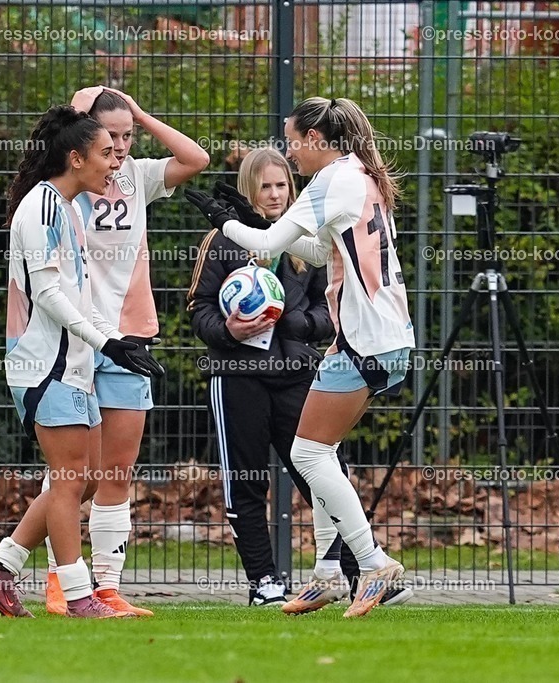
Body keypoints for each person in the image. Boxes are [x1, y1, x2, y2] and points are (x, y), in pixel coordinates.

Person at [185, 96, 414, 618]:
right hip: (384, 338)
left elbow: (265, 247)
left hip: (365, 340)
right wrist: (247, 222)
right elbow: (318, 252)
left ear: (315, 140)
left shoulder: (331, 179)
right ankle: (328, 576)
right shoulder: (362, 174)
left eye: (292, 142)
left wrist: (227, 222)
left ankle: (373, 561)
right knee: (320, 451)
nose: (290, 154)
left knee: (309, 456)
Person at [0, 105, 163, 619]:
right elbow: (50, 294)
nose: (114, 163)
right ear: (75, 158)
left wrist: (116, 341)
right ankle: (78, 596)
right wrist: (105, 343)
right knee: (70, 479)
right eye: (105, 153)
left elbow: (78, 300)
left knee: (82, 477)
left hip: (71, 362)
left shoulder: (66, 206)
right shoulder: (43, 209)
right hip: (46, 366)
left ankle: (1, 571)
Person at [41, 86, 209, 617]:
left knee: (118, 469)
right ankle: (60, 580)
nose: (119, 145)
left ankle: (107, 586)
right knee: (72, 472)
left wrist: (138, 113)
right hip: (76, 337)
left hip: (129, 337)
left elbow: (195, 159)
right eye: (109, 135)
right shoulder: (65, 188)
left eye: (127, 135)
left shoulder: (136, 175)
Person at [187, 148, 364, 606]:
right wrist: (229, 329)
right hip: (238, 376)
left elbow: (332, 311)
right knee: (245, 481)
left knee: (322, 474)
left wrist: (295, 323)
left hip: (297, 375)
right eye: (264, 186)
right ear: (249, 189)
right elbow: (198, 310)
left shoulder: (309, 240)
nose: (274, 194)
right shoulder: (222, 241)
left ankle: (354, 572)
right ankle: (264, 582)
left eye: (282, 185)